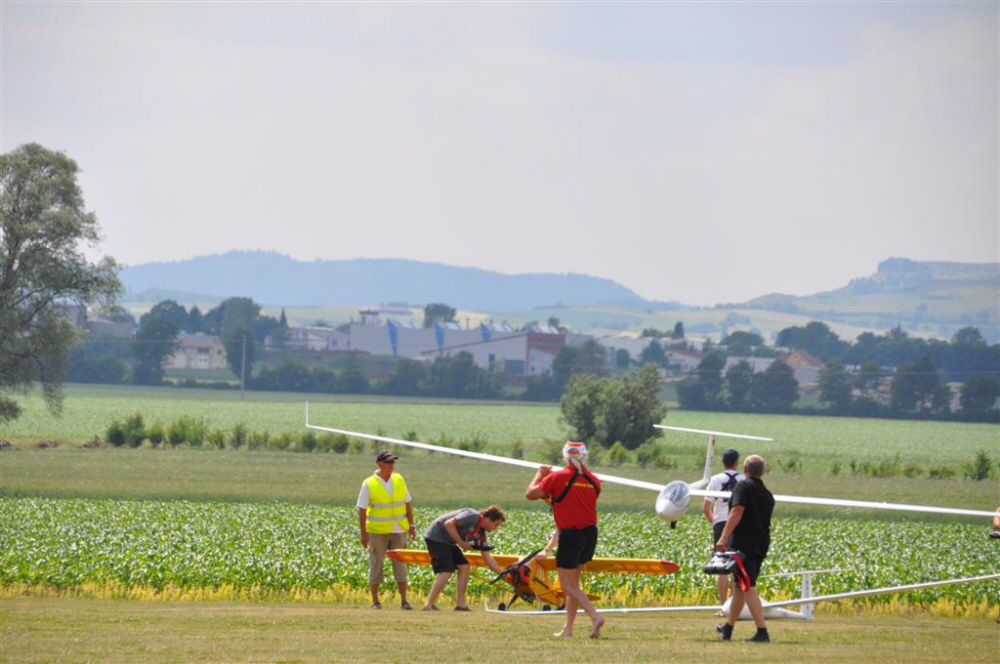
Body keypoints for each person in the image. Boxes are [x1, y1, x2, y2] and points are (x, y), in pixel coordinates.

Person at [526, 441, 604, 639]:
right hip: (590, 534)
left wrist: (540, 474)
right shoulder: (594, 480)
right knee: (574, 585)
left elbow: (531, 494)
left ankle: (595, 616)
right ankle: (568, 629)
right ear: (584, 456)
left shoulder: (557, 477)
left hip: (571, 534)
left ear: (566, 456)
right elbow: (572, 501)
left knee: (567, 585)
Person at [715, 454, 774, 643]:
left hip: (744, 545)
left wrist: (723, 537)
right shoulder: (767, 494)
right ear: (762, 472)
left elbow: (736, 511)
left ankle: (762, 631)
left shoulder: (743, 486)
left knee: (748, 586)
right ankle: (728, 628)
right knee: (739, 586)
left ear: (745, 471)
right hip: (761, 544)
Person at [356, 450, 416, 610]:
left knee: (401, 565)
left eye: (393, 462)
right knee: (376, 564)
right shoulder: (368, 483)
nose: (392, 465)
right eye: (388, 462)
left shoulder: (399, 479)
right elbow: (361, 509)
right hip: (377, 531)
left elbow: (407, 503)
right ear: (380, 464)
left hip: (399, 529)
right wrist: (364, 534)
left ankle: (404, 600)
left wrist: (412, 525)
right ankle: (375, 601)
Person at [422, 505, 506, 611]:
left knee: (464, 566)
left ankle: (460, 605)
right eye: (496, 524)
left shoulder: (481, 534)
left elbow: (486, 556)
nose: (495, 528)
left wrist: (502, 573)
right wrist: (461, 543)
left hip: (448, 542)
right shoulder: (472, 515)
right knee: (447, 570)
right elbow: (448, 524)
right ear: (489, 519)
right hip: (436, 536)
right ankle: (428, 604)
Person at [702, 448, 745, 612]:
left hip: (720, 522)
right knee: (736, 566)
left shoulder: (715, 479)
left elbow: (706, 507)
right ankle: (735, 607)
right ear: (736, 463)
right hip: (738, 524)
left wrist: (716, 522)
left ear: (723, 462)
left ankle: (722, 606)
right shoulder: (743, 479)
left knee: (721, 566)